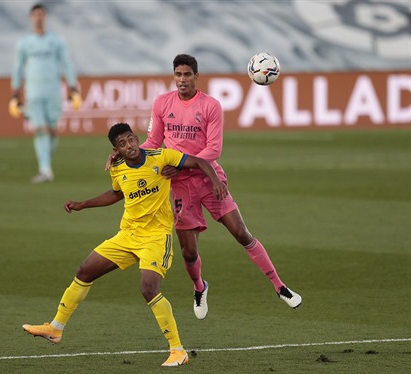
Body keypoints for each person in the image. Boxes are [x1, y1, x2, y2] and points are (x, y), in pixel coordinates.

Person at [108, 54, 302, 320]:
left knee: (241, 233)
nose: (182, 80)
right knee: (189, 251)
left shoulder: (211, 105)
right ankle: (199, 287)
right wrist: (127, 153)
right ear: (174, 76)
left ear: (196, 77)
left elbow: (214, 148)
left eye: (187, 75)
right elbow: (153, 141)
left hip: (208, 178)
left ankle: (280, 286)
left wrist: (192, 168)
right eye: (178, 74)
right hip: (177, 185)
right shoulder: (162, 103)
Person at [22, 122, 227, 367]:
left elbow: (199, 162)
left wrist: (214, 179)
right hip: (128, 235)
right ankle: (55, 328)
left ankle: (177, 350)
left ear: (136, 138)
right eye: (122, 144)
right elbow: (117, 194)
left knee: (149, 288)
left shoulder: (161, 157)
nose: (129, 146)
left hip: (156, 237)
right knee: (84, 271)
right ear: (116, 150)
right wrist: (82, 204)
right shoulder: (117, 168)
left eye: (131, 140)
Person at [9, 3, 82, 184]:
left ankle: (46, 165)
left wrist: (72, 86)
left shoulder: (56, 41)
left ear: (45, 17)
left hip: (52, 91)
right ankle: (45, 169)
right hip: (33, 92)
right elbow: (18, 68)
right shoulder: (25, 43)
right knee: (40, 130)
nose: (39, 17)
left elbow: (66, 64)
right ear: (31, 18)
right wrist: (15, 91)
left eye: (41, 14)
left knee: (52, 130)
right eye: (35, 15)